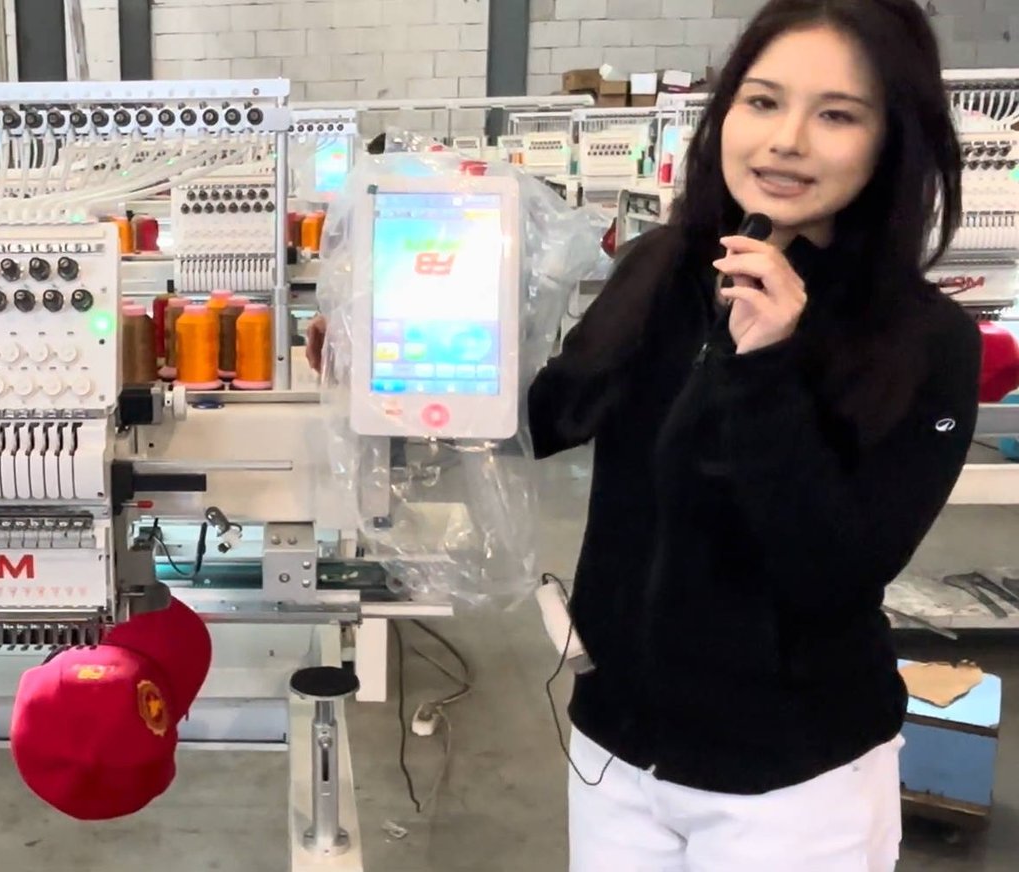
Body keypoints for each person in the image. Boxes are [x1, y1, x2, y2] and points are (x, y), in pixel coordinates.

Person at [310, 0, 980, 868]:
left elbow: (835, 573)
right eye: (763, 101)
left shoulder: (923, 340)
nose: (786, 140)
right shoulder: (665, 268)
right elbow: (547, 416)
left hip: (789, 781)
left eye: (837, 115)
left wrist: (769, 367)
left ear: (894, 139)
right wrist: (388, 366)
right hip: (617, 752)